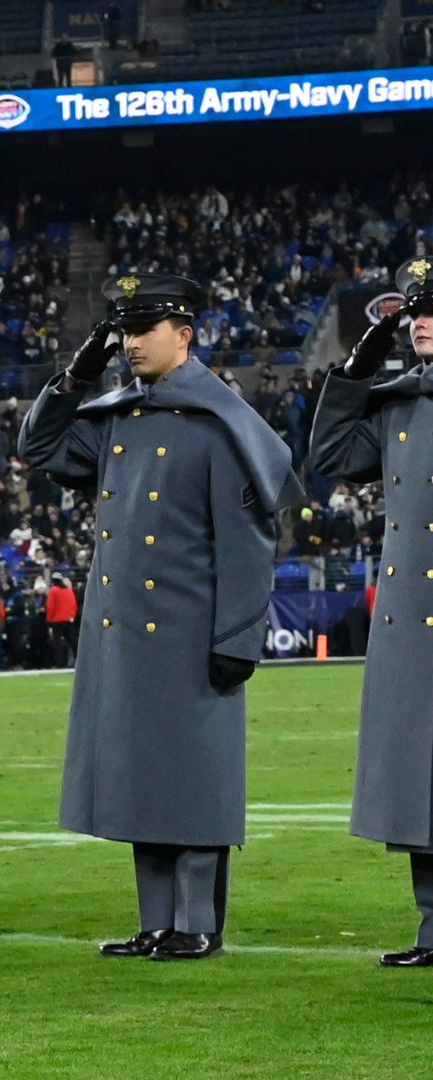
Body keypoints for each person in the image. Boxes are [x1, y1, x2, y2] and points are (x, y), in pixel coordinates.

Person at [19, 273, 300, 960]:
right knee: (140, 781)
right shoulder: (120, 414)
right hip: (125, 635)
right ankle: (155, 922)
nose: (132, 343)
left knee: (193, 782)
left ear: (185, 335)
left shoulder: (220, 421)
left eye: (145, 330)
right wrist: (76, 374)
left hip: (190, 635)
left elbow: (247, 542)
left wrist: (238, 635)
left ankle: (197, 921)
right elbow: (39, 449)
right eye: (124, 331)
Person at [308, 259, 433, 967]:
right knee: (419, 778)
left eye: (432, 312)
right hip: (413, 617)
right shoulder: (400, 402)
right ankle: (432, 927)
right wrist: (355, 368)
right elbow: (329, 452)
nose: (419, 320)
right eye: (415, 312)